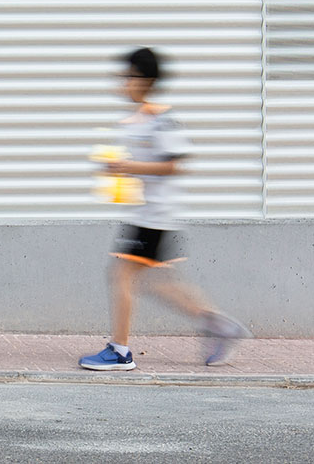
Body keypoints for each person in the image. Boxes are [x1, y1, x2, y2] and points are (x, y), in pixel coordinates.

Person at [79, 47, 250, 371]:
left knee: (121, 275)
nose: (124, 83)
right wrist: (120, 172)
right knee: (158, 282)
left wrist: (128, 166)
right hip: (146, 215)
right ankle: (221, 326)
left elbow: (174, 165)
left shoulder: (163, 121)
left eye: (129, 76)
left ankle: (120, 351)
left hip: (154, 218)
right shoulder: (138, 121)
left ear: (146, 80)